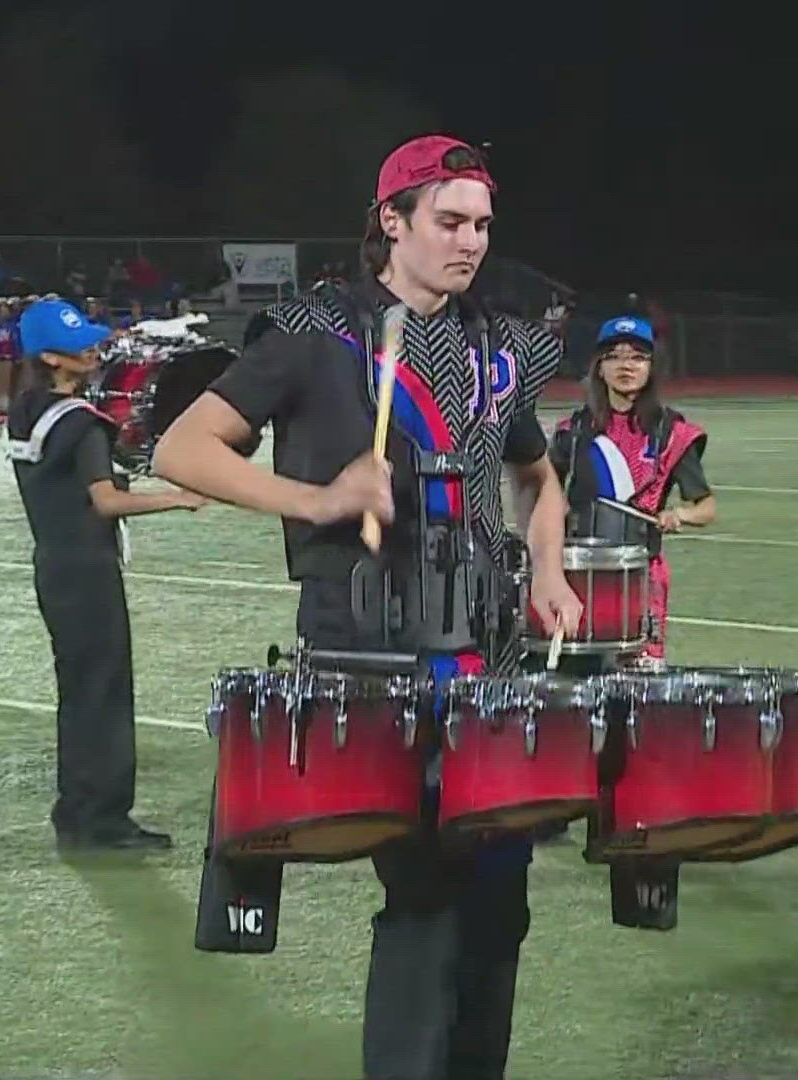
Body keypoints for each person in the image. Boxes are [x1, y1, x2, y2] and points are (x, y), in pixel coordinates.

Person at [153, 132, 583, 1080]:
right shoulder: (319, 333)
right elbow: (183, 450)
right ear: (391, 222)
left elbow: (536, 478)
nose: (468, 243)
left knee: (500, 900)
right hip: (374, 653)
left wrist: (548, 569)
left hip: (487, 648)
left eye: (480, 224)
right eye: (447, 221)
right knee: (428, 897)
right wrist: (317, 499)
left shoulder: (491, 348)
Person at [5, 298, 204, 852]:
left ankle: (75, 808)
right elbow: (105, 502)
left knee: (78, 691)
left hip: (52, 564)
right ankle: (105, 818)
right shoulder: (82, 425)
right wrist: (176, 499)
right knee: (106, 693)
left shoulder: (25, 410)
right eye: (79, 344)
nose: (93, 349)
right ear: (51, 357)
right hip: (89, 571)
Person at [549, 314, 716, 664]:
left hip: (641, 574)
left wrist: (678, 515)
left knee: (637, 679)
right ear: (599, 367)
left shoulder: (672, 432)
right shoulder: (575, 431)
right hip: (578, 572)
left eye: (638, 357)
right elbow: (545, 492)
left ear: (652, 367)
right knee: (576, 675)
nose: (626, 365)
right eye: (615, 356)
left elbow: (706, 506)